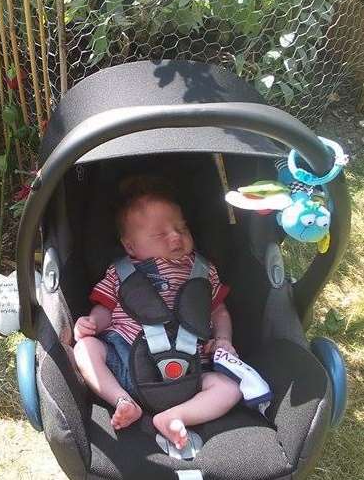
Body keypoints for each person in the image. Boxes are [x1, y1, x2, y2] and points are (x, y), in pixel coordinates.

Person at [73, 177, 242, 450]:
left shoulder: (203, 270)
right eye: (161, 234)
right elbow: (106, 308)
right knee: (85, 350)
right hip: (127, 363)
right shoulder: (121, 272)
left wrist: (223, 340)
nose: (176, 236)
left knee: (229, 388)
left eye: (181, 228)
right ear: (130, 246)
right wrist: (92, 323)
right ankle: (122, 401)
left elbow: (219, 311)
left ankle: (175, 416)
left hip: (192, 369)